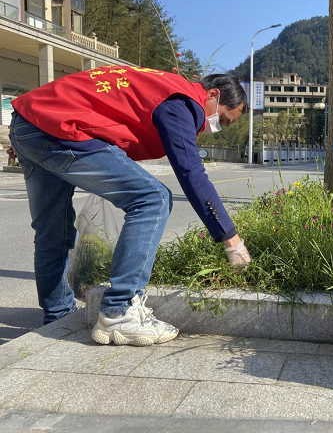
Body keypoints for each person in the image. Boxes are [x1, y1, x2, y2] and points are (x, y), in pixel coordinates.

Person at [9, 65, 252, 346]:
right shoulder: (181, 103)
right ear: (213, 94)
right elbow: (192, 174)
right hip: (59, 128)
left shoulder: (163, 85)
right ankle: (119, 311)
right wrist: (231, 240)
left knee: (52, 230)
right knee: (153, 198)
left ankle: (58, 315)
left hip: (29, 123)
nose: (216, 126)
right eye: (223, 118)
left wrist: (26, 137)